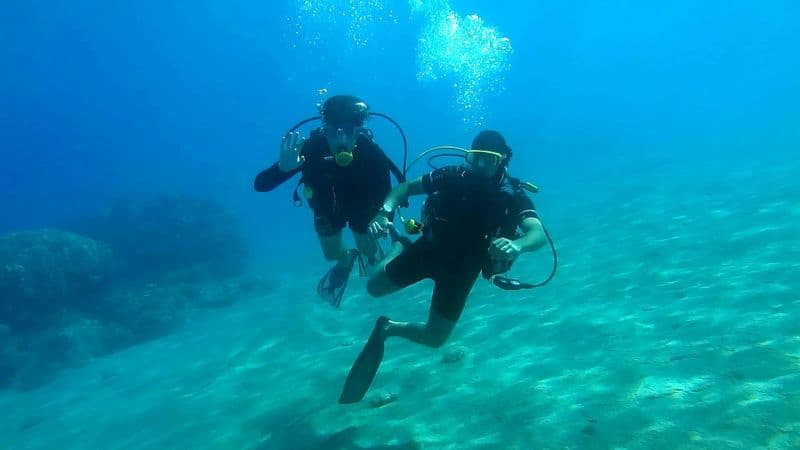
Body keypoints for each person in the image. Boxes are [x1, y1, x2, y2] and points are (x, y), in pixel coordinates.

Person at [339, 130, 549, 403]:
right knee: (373, 288)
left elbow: (538, 233)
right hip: (428, 250)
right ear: (469, 157)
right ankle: (398, 247)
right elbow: (405, 188)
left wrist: (518, 245)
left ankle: (387, 328)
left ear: (503, 161)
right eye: (476, 158)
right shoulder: (452, 176)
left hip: (462, 271)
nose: (481, 166)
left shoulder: (512, 194)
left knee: (435, 338)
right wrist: (385, 210)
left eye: (490, 160)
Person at [254, 95, 406, 307]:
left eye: (349, 131)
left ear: (359, 131)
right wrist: (282, 169)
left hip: (363, 210)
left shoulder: (371, 153)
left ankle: (370, 260)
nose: (341, 140)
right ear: (325, 129)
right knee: (331, 254)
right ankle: (346, 260)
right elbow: (261, 185)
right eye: (335, 131)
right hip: (326, 210)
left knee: (368, 249)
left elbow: (388, 193)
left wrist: (383, 217)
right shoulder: (309, 149)